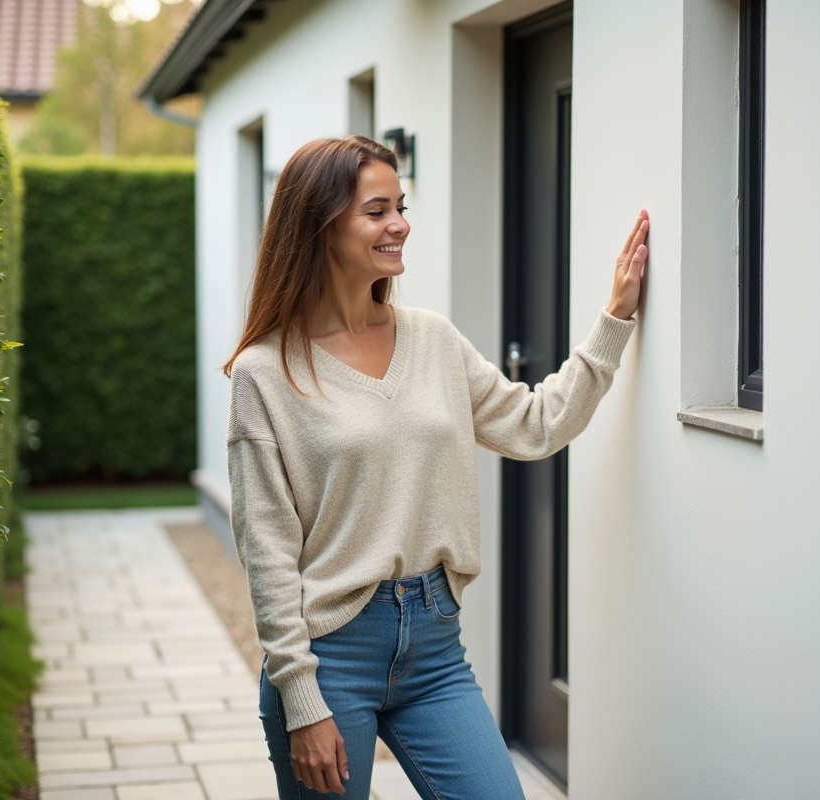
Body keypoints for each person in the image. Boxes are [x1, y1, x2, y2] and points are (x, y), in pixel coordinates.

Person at [224, 135, 649, 799]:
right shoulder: (265, 373)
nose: (400, 224)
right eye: (377, 210)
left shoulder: (432, 338)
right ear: (320, 225)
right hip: (330, 655)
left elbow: (535, 425)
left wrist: (614, 319)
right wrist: (301, 700)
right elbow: (268, 553)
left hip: (434, 647)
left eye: (401, 205)